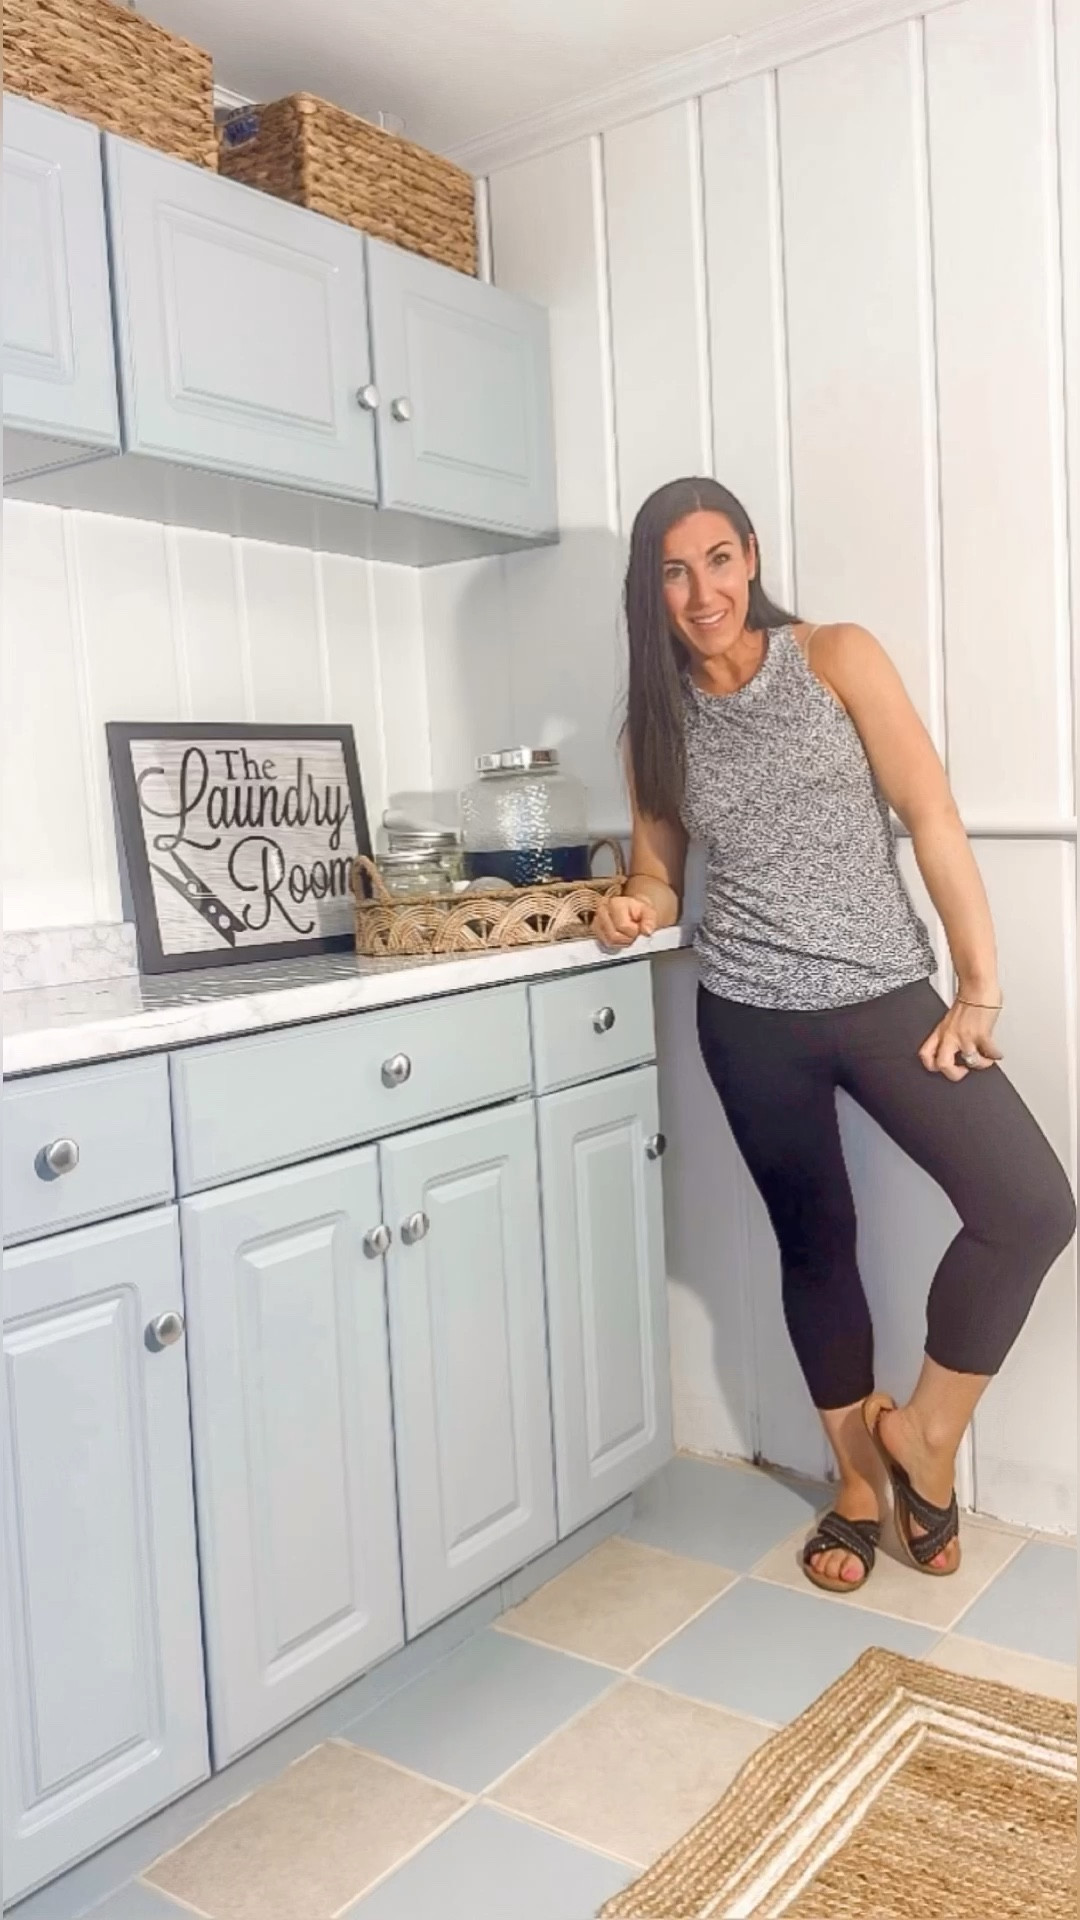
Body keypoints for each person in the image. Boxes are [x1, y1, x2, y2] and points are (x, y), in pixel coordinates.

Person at [593, 476, 1076, 1593]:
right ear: (650, 591)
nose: (702, 589)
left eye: (719, 559)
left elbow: (933, 814)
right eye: (674, 570)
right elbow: (661, 873)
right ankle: (858, 1485)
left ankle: (925, 1437)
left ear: (751, 558)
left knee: (1030, 1207)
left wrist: (979, 983)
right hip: (750, 1017)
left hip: (884, 999)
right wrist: (635, 905)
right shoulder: (655, 728)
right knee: (816, 1241)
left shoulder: (836, 657)